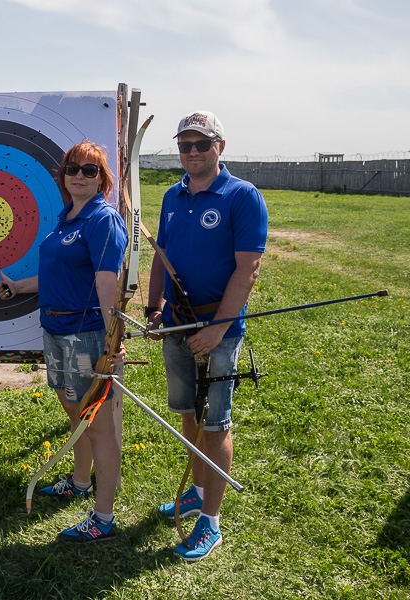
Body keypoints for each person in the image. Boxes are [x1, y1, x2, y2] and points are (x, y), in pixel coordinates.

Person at [147, 111, 268, 561]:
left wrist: (218, 328)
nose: (192, 152)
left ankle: (210, 523)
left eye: (201, 144)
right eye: (185, 145)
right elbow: (161, 255)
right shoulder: (172, 195)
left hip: (218, 331)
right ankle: (197, 490)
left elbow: (248, 267)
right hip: (178, 324)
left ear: (220, 146)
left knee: (215, 423)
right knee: (188, 414)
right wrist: (154, 307)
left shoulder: (242, 196)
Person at [0, 141, 127, 543]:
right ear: (63, 175)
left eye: (90, 170)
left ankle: (103, 518)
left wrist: (112, 340)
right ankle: (80, 482)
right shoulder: (67, 217)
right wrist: (18, 287)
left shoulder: (102, 219)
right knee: (74, 412)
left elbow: (108, 283)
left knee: (99, 427)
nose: (79, 176)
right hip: (57, 333)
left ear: (103, 179)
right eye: (73, 168)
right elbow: (56, 276)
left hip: (86, 336)